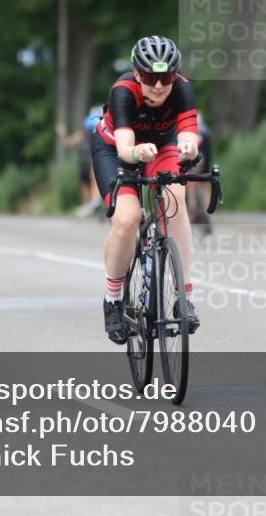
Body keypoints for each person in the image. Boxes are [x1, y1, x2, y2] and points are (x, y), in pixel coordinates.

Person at [92, 36, 199, 344]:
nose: (158, 85)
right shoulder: (122, 92)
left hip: (162, 145)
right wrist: (138, 154)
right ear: (137, 74)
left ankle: (184, 296)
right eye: (150, 77)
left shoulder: (182, 89)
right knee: (127, 221)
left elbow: (189, 136)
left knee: (176, 199)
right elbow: (126, 148)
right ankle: (113, 299)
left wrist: (189, 148)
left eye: (165, 77)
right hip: (115, 149)